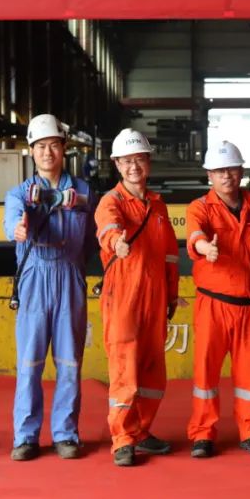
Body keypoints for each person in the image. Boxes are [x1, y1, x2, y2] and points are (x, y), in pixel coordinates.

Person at [185, 141, 250, 459]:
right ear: (209, 176)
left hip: (249, 307)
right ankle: (203, 434)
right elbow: (195, 235)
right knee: (206, 372)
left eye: (231, 169)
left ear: (241, 171)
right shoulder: (199, 208)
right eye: (219, 171)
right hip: (213, 305)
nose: (226, 176)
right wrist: (205, 248)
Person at [3, 114, 96, 461]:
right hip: (34, 279)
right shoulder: (19, 194)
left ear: (64, 148)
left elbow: (93, 237)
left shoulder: (83, 191)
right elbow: (12, 221)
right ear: (31, 151)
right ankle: (25, 436)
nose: (47, 152)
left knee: (69, 362)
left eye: (53, 145)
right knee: (29, 362)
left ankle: (66, 434)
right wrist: (19, 227)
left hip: (70, 276)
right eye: (40, 146)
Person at [94, 128, 181, 467]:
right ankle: (122, 439)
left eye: (139, 159)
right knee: (124, 368)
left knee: (152, 369)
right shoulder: (111, 202)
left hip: (155, 299)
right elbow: (107, 227)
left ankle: (142, 430)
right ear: (117, 164)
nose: (134, 167)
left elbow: (170, 254)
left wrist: (171, 294)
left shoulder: (157, 206)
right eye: (127, 161)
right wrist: (116, 241)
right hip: (123, 298)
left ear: (148, 162)